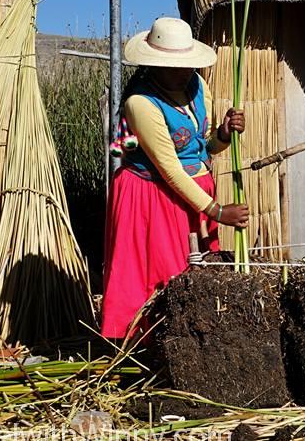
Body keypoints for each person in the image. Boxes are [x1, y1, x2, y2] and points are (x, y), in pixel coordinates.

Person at [101, 17, 250, 339]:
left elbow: (203, 146)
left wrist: (223, 134)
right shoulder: (140, 103)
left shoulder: (198, 86)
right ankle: (146, 343)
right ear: (153, 66)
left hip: (194, 193)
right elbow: (169, 168)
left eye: (187, 64)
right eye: (174, 66)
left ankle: (194, 340)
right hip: (152, 195)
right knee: (161, 272)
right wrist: (217, 211)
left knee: (197, 268)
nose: (184, 71)